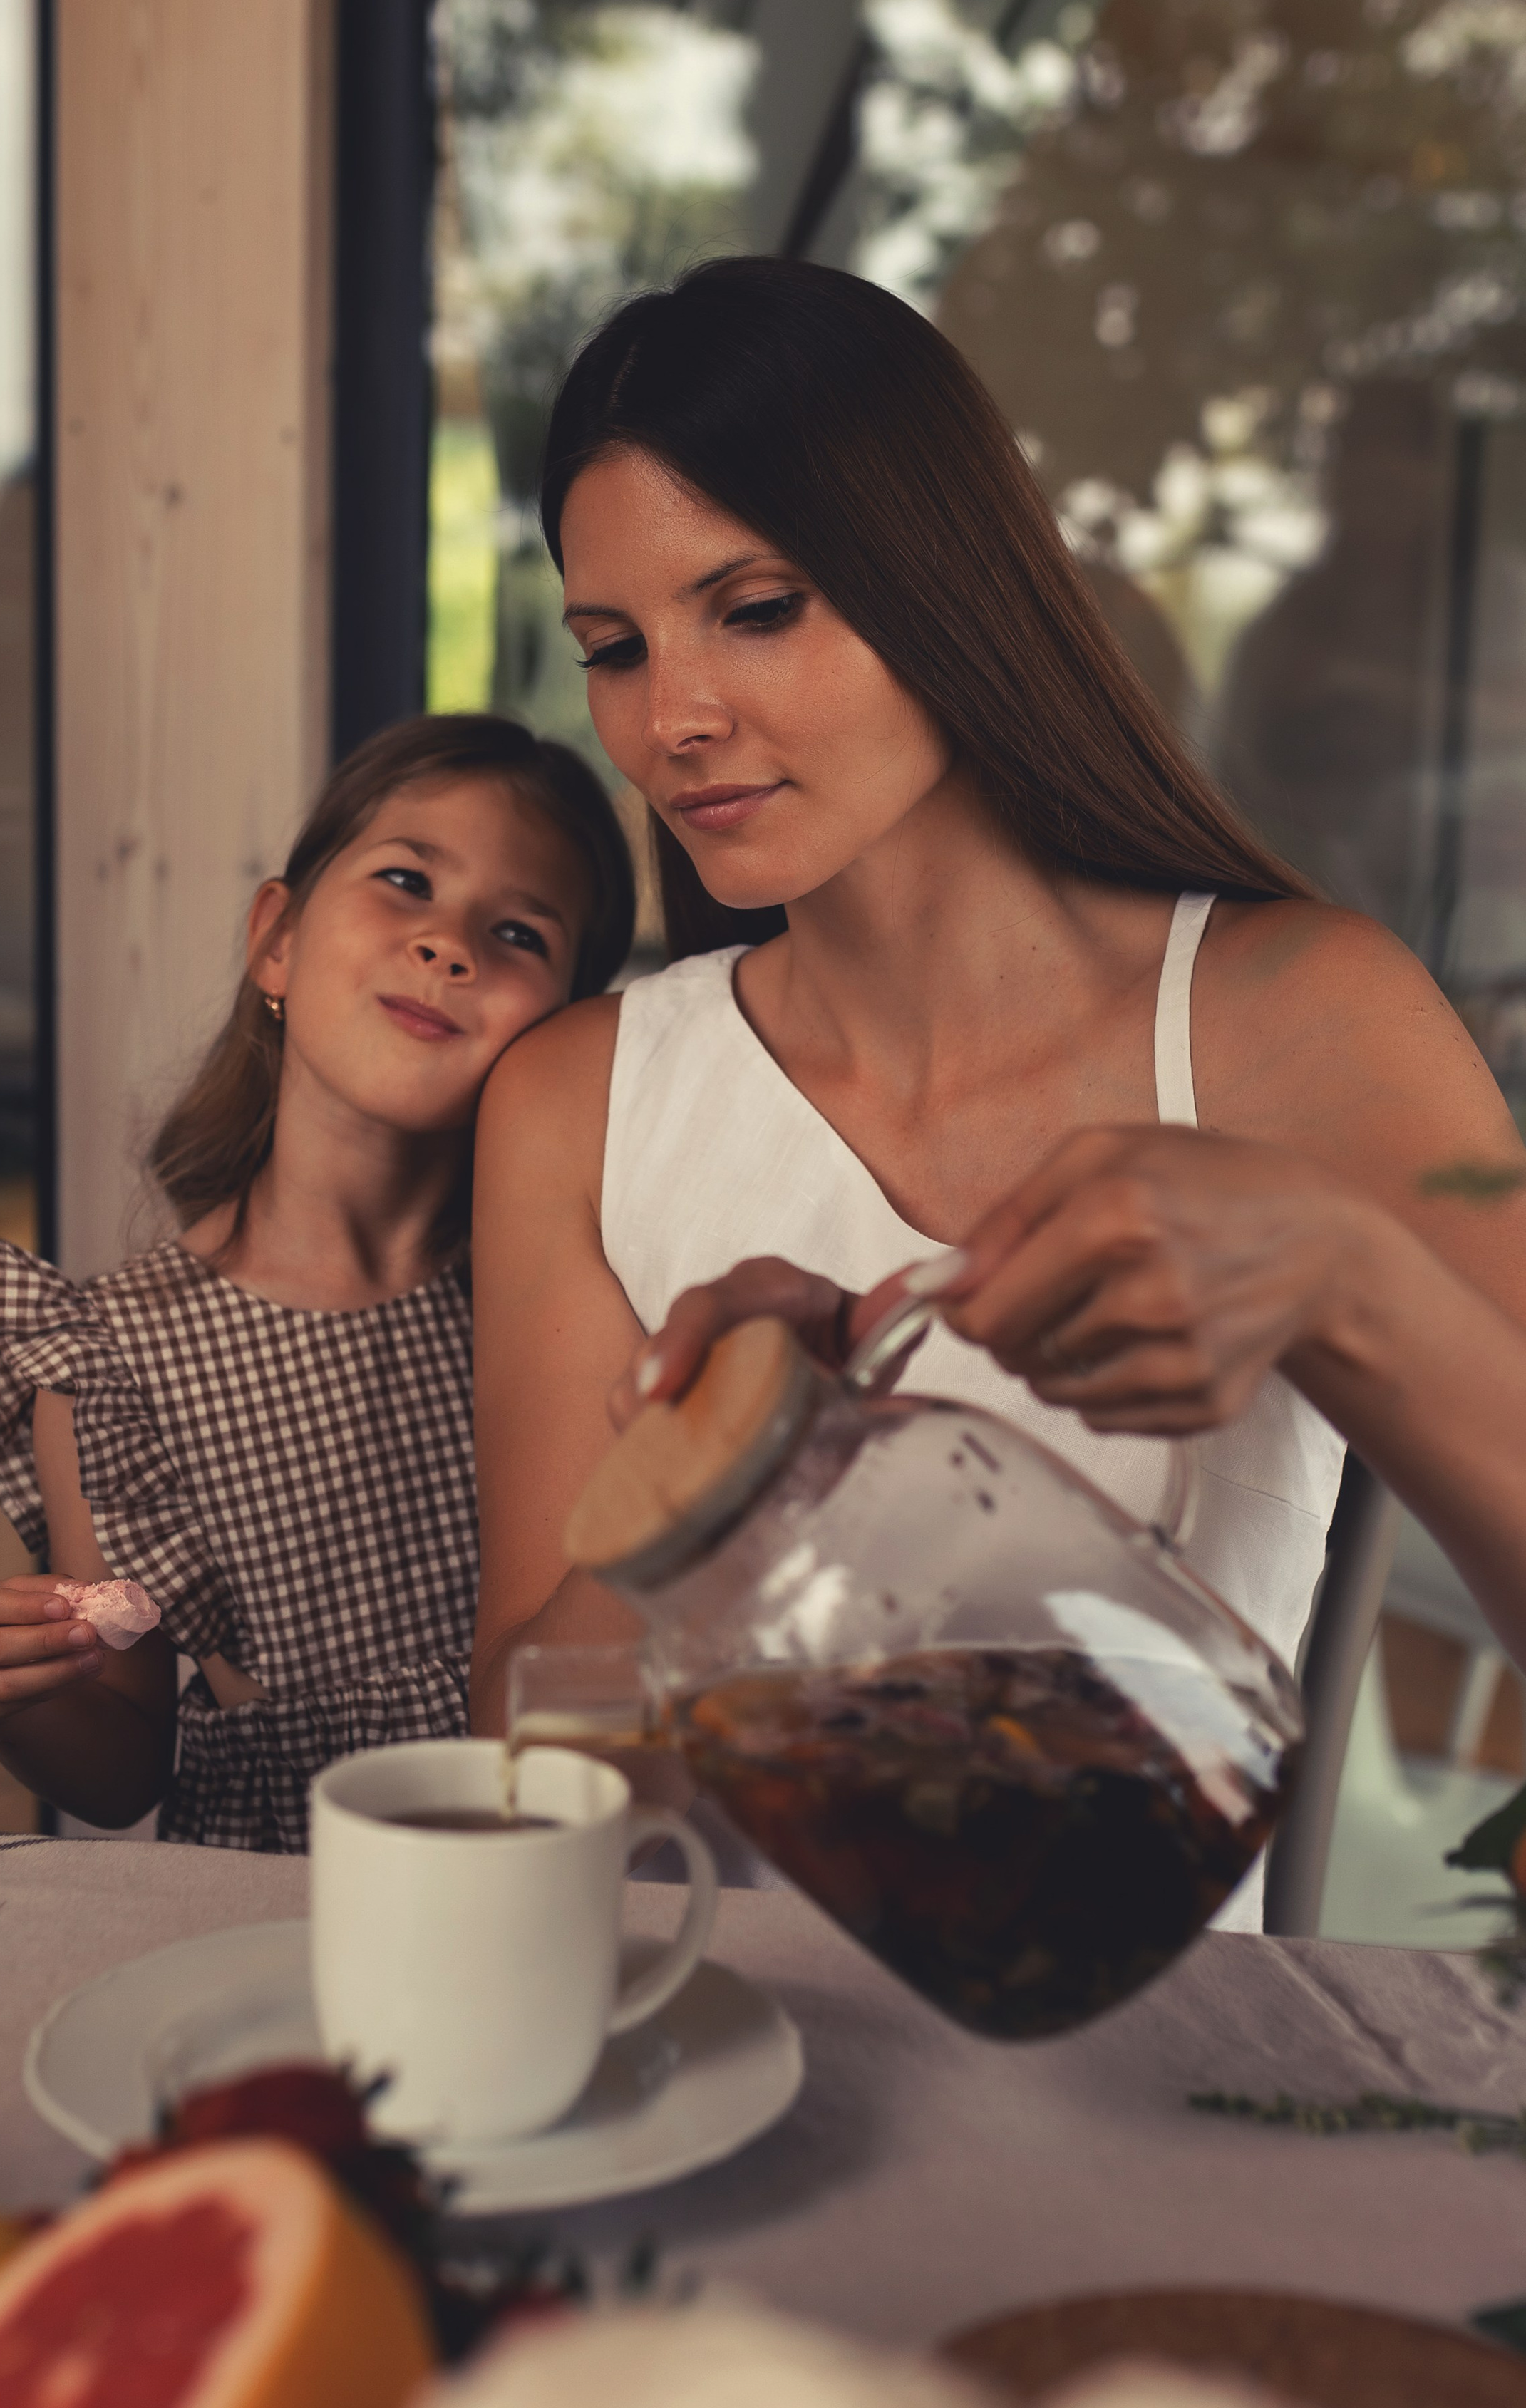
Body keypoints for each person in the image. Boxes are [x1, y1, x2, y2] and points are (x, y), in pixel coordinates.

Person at [469, 262, 1526, 1917]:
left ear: (940, 584)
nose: (670, 717)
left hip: (1155, 2085)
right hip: (709, 2041)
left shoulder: (1293, 1017)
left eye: (755, 609)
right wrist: (726, 1488)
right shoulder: (575, 1102)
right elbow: (530, 1779)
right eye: (612, 647)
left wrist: (1339, 1278)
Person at [0, 715, 634, 1849]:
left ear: (570, 1032)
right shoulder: (105, 1356)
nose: (450, 947)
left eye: (518, 933)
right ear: (278, 941)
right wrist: (21, 1695)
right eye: (407, 881)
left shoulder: (576, 1308)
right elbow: (120, 1771)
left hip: (548, 1868)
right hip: (274, 1905)